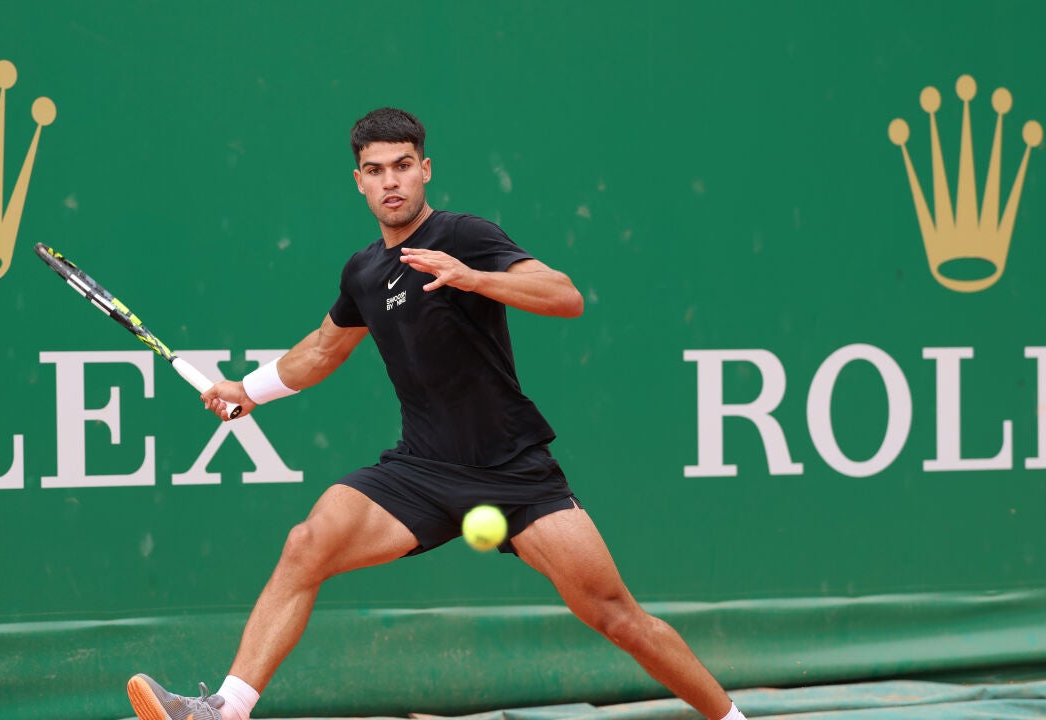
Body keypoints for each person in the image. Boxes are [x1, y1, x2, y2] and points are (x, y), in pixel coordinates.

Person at [126, 108, 747, 720]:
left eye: (402, 166)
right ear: (359, 181)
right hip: (421, 471)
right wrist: (248, 390)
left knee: (617, 617)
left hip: (512, 470)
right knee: (306, 544)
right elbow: (321, 350)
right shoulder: (364, 271)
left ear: (425, 170)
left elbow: (565, 296)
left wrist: (472, 278)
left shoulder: (462, 236)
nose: (390, 181)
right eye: (375, 170)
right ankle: (224, 710)